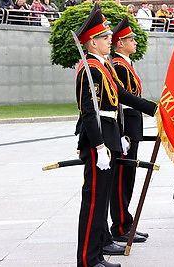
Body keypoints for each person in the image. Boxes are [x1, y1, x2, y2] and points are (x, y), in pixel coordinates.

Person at [74, 5, 157, 266]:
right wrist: (98, 146)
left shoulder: (102, 67)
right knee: (94, 203)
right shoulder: (91, 69)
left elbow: (120, 96)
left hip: (110, 135)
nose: (111, 40)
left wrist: (155, 109)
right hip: (99, 140)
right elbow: (90, 113)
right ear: (93, 42)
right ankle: (88, 259)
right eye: (105, 37)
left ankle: (98, 251)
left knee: (100, 201)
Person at [107, 15, 150, 244]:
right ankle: (121, 225)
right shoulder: (118, 65)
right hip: (125, 124)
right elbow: (123, 99)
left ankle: (126, 222)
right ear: (120, 43)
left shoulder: (126, 64)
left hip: (132, 123)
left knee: (129, 176)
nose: (135, 42)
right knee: (123, 177)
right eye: (130, 39)